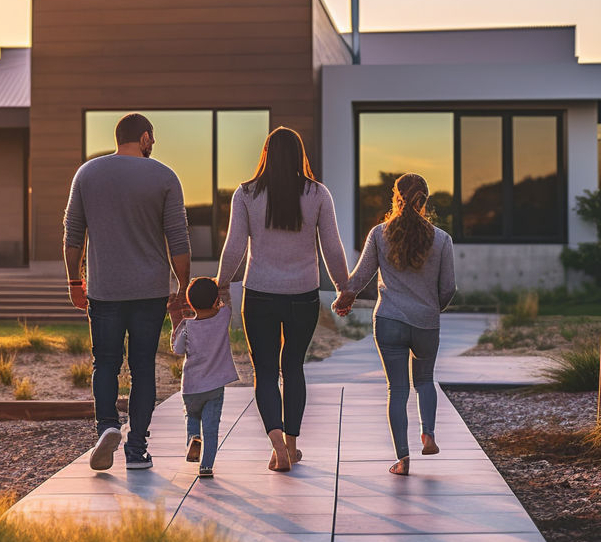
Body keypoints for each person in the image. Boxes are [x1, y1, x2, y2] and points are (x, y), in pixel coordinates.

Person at [216, 126, 348, 473]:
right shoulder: (318, 194)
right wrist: (343, 287)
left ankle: (277, 447)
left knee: (265, 373)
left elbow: (234, 246)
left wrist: (221, 284)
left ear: (265, 155)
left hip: (259, 293)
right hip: (302, 296)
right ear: (299, 155)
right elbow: (331, 246)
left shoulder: (245, 194)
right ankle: (290, 445)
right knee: (293, 368)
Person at [64, 112, 191, 471]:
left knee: (105, 362)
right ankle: (136, 450)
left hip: (104, 290)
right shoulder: (164, 176)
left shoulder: (87, 174)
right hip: (150, 291)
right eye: (153, 138)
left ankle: (106, 427)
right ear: (145, 137)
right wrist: (182, 286)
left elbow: (73, 235)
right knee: (142, 368)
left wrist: (75, 281)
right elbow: (178, 240)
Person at [333, 172, 456, 476]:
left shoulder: (379, 234)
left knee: (397, 389)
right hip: (425, 322)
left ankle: (403, 460)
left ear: (396, 198)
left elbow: (359, 278)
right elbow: (449, 287)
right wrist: (431, 309)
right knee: (425, 380)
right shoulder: (442, 239)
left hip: (389, 320)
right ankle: (428, 434)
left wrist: (343, 299)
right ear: (425, 200)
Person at [171, 277, 240, 478]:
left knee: (192, 416)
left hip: (191, 386)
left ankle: (193, 438)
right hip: (214, 387)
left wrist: (177, 322)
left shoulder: (187, 326)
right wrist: (220, 294)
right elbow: (225, 301)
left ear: (190, 303)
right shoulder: (224, 316)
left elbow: (177, 349)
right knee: (211, 427)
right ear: (215, 300)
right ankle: (206, 466)